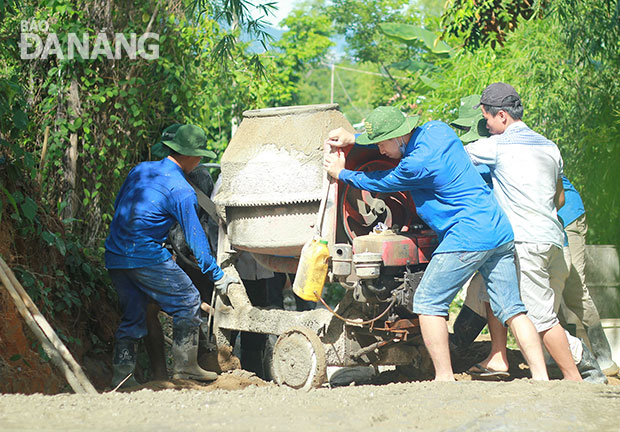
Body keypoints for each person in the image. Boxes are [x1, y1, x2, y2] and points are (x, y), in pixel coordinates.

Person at [323, 106, 549, 381]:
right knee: (513, 309)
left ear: (399, 137)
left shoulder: (415, 164)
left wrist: (342, 174)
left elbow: (382, 182)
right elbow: (394, 150)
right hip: (498, 229)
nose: (381, 151)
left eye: (382, 144)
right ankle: (541, 378)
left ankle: (443, 377)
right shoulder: (438, 129)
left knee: (428, 302)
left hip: (467, 235)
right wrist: (354, 139)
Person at [463, 82, 587, 381]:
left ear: (502, 115)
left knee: (542, 320)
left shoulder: (496, 146)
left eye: (488, 120)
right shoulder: (549, 146)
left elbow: (451, 160)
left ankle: (578, 375)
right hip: (555, 241)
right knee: (531, 310)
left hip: (527, 243)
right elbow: (560, 198)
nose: (487, 127)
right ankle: (536, 371)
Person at [105, 124, 238, 388]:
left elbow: (119, 209)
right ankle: (186, 369)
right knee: (188, 300)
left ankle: (123, 378)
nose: (200, 161)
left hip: (115, 255)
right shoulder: (181, 189)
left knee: (134, 315)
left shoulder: (140, 171)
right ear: (188, 155)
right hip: (145, 255)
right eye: (199, 155)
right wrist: (218, 276)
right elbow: (196, 239)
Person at [558, 175, 619, 376]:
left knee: (574, 290)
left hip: (565, 214)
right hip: (544, 220)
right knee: (549, 290)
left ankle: (604, 358)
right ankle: (560, 355)